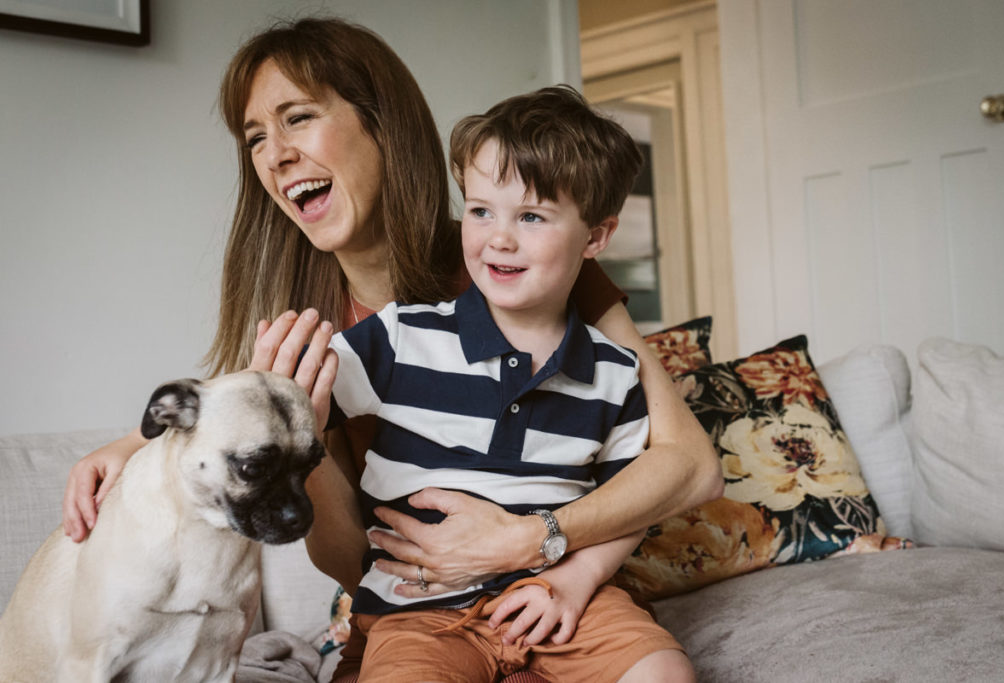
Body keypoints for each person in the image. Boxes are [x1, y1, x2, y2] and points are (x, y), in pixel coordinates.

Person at [60, 15, 722, 674]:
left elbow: (690, 464)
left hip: (551, 596)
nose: (274, 154)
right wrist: (135, 443)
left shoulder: (529, 265)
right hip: (419, 612)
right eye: (255, 137)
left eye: (297, 118)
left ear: (381, 125)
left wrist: (534, 540)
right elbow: (349, 560)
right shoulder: (331, 339)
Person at [324, 84, 693, 682]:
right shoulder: (401, 336)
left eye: (531, 216)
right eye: (480, 211)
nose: (499, 237)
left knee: (664, 672)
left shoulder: (614, 372)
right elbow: (295, 401)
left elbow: (628, 505)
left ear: (595, 238)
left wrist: (576, 580)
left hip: (554, 596)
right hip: (417, 611)